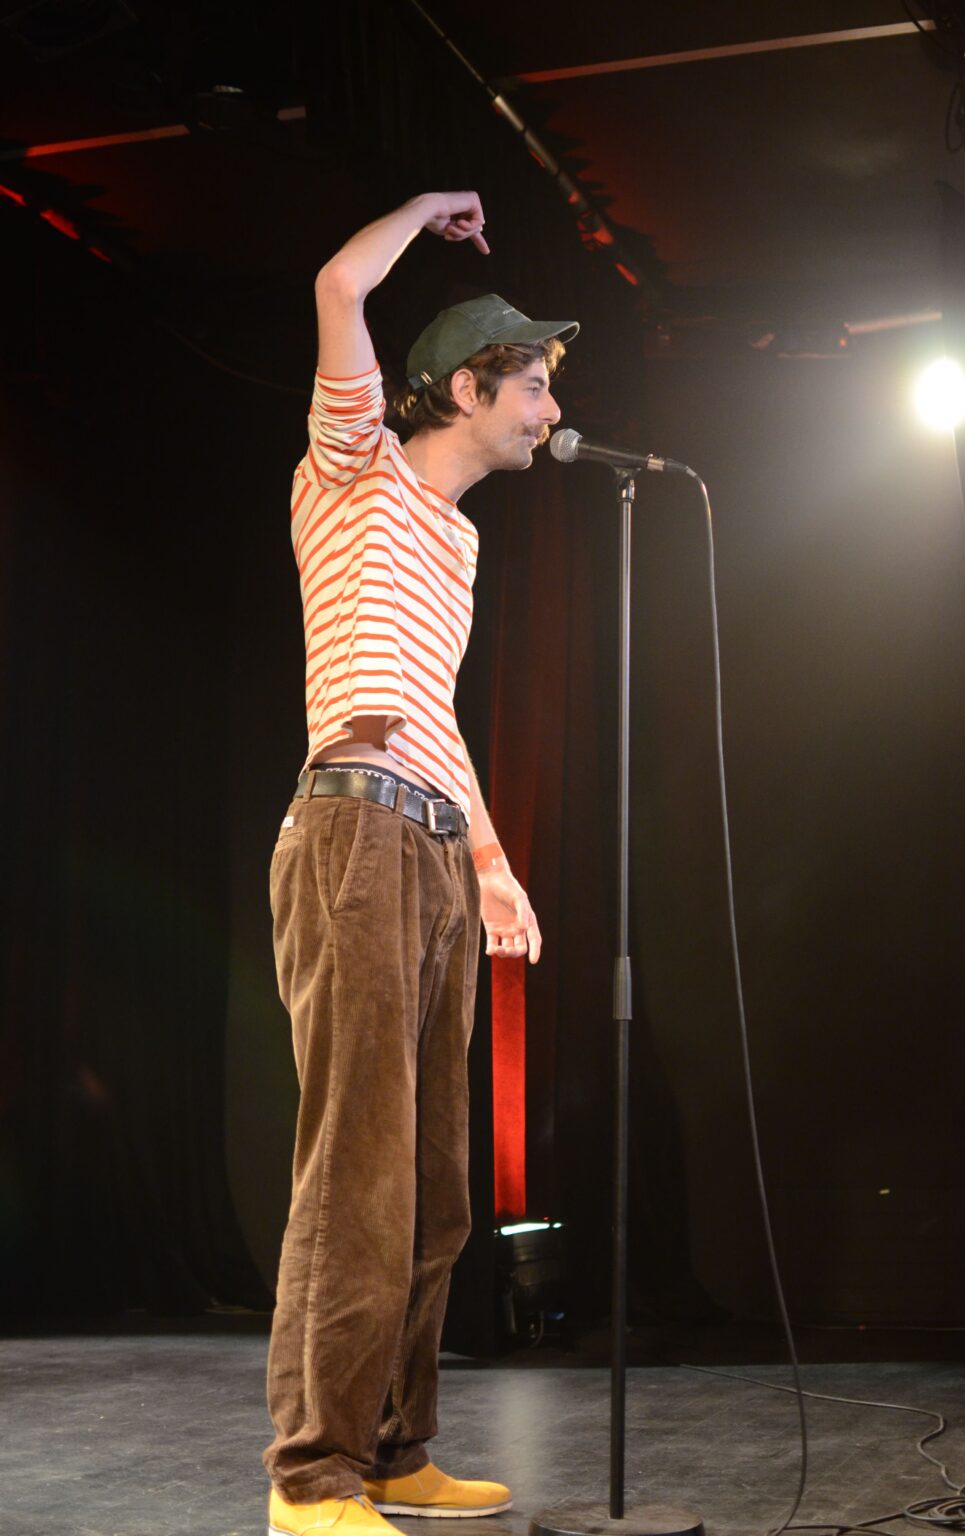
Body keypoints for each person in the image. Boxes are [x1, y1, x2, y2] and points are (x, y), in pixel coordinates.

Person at [264, 191, 579, 1536]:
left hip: (434, 845)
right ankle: (313, 1474)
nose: (549, 409)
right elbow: (340, 288)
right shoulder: (355, 469)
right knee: (359, 1167)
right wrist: (425, 210)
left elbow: (433, 713)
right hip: (351, 832)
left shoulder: (455, 537)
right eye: (534, 384)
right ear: (464, 386)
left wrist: (492, 863)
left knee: (439, 1181)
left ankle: (395, 1448)